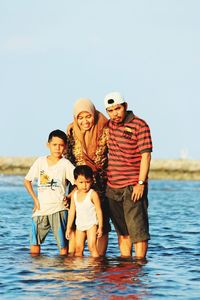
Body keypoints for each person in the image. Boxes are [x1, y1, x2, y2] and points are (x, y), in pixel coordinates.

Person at [104, 92, 153, 259]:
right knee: (122, 232)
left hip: (133, 186)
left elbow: (146, 156)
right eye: (110, 110)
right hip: (112, 187)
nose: (115, 113)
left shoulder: (140, 125)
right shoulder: (109, 125)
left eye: (117, 108)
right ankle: (125, 266)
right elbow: (89, 116)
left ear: (125, 106)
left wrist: (141, 183)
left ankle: (139, 266)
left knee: (138, 232)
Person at [66, 98, 111, 256]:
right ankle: (74, 261)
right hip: (78, 183)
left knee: (101, 221)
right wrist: (70, 188)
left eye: (88, 116)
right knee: (76, 222)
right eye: (80, 117)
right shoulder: (71, 132)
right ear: (75, 118)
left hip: (100, 183)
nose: (85, 121)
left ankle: (97, 261)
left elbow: (114, 154)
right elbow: (68, 159)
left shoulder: (105, 128)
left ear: (94, 114)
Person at [24, 129, 75, 256]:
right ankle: (35, 273)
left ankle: (63, 273)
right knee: (34, 243)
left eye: (61, 145)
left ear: (65, 147)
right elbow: (27, 181)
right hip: (41, 209)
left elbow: (78, 184)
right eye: (54, 145)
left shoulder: (65, 164)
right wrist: (35, 200)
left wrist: (69, 197)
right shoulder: (40, 161)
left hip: (59, 209)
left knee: (63, 246)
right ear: (48, 145)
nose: (58, 148)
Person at [66, 165, 103, 258]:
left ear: (92, 181)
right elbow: (72, 212)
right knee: (78, 249)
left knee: (92, 247)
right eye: (81, 182)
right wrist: (68, 228)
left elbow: (99, 211)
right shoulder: (74, 195)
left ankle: (96, 268)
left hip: (92, 225)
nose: (84, 185)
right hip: (80, 225)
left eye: (87, 182)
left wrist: (100, 227)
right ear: (75, 182)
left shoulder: (92, 194)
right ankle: (80, 270)